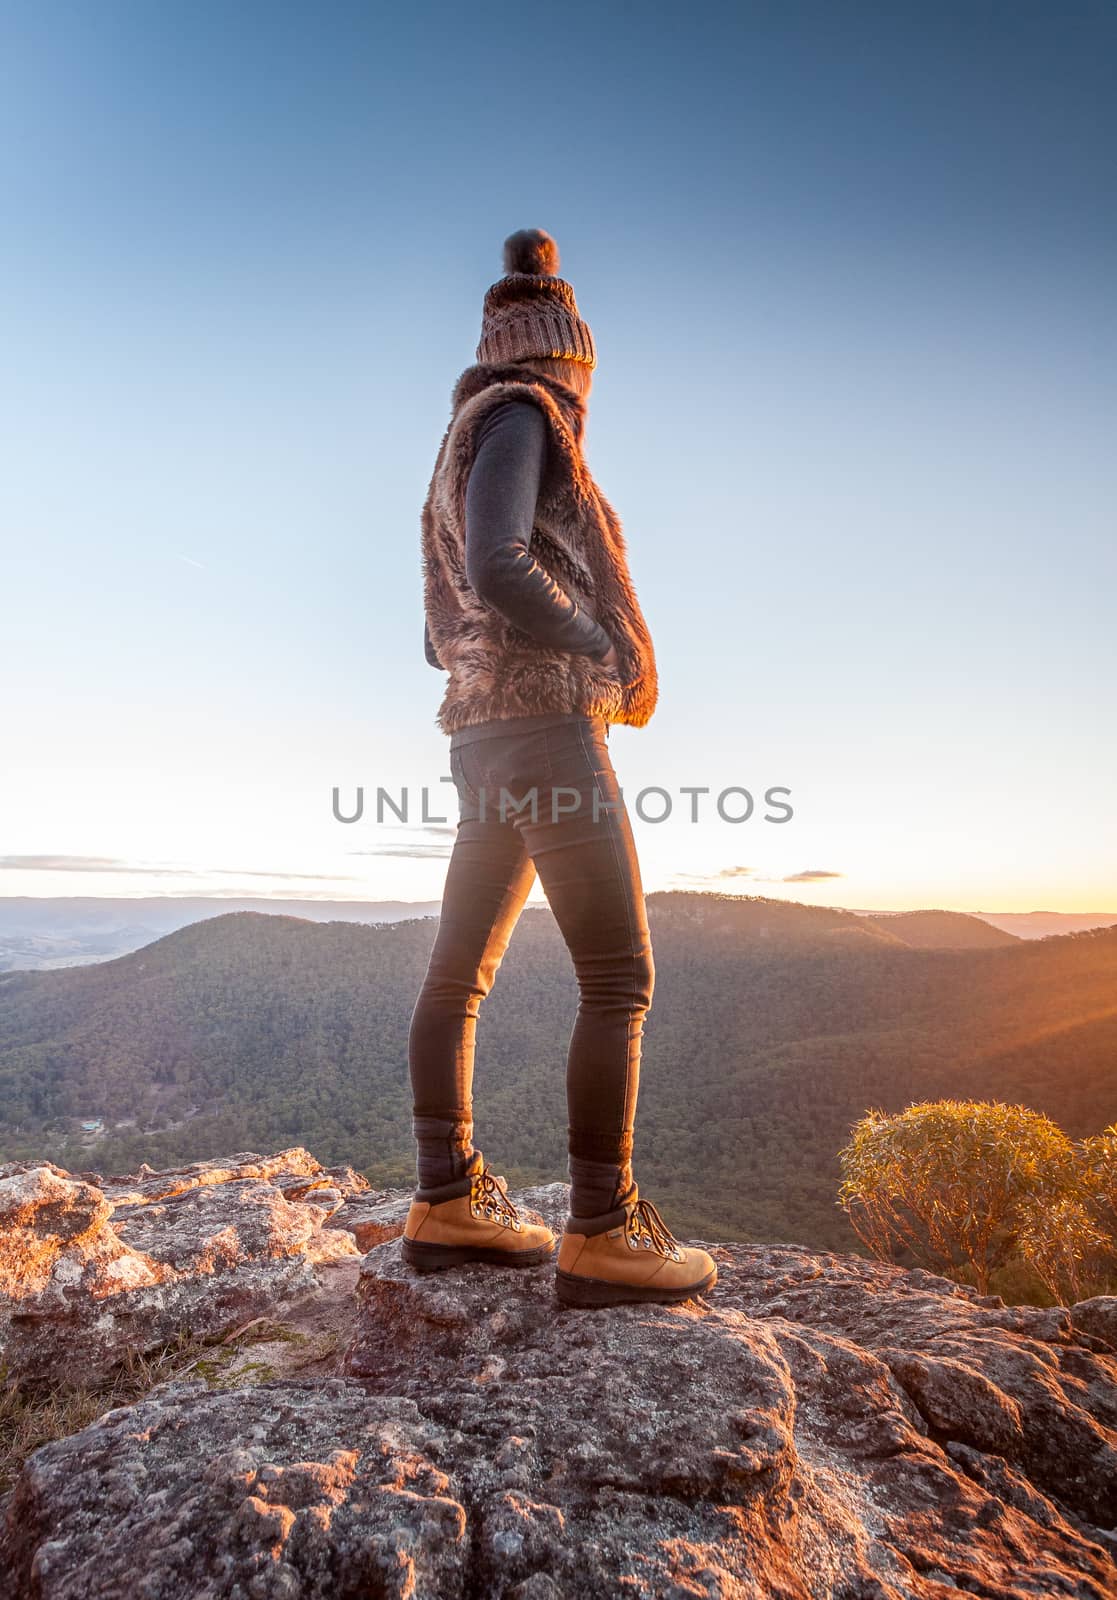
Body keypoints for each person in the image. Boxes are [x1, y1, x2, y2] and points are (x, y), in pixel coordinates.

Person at [403, 228, 716, 1309]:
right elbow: (498, 563)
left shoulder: (456, 437)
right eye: (581, 370)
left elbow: (439, 613)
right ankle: (603, 1226)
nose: (583, 388)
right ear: (564, 361)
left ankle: (445, 1197)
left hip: (480, 735)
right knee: (618, 977)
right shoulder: (526, 417)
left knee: (459, 972)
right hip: (544, 728)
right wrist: (593, 640)